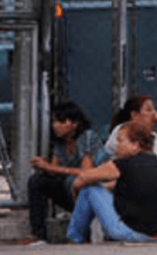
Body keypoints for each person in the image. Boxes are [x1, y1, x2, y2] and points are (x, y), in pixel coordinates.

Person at [67, 121, 157, 243]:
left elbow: (83, 177)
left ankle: (74, 238)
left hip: (136, 234)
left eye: (120, 141)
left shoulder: (124, 164)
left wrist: (75, 191)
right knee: (96, 189)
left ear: (136, 144)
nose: (116, 146)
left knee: (89, 189)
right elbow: (115, 186)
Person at [27, 101, 102, 242]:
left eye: (61, 121)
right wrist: (44, 166)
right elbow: (55, 171)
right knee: (37, 181)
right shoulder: (60, 142)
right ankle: (38, 235)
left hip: (90, 190)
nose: (56, 125)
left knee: (72, 182)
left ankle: (82, 232)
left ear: (75, 123)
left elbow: (87, 172)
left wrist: (51, 168)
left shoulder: (87, 137)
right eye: (54, 121)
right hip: (69, 191)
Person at [99, 95, 157, 188]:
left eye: (154, 110)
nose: (155, 114)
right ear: (134, 115)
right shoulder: (122, 131)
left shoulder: (155, 137)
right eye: (149, 110)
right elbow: (137, 164)